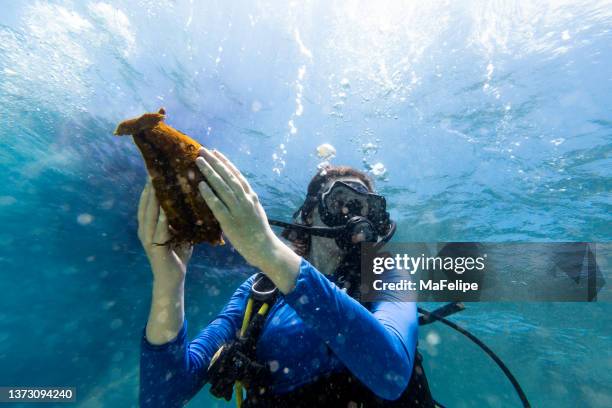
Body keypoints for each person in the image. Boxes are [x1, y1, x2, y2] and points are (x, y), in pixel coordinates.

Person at [139, 147, 434, 407]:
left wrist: (268, 251)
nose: (355, 218)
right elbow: (163, 397)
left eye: (367, 209)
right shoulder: (260, 291)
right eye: (340, 202)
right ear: (309, 215)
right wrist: (169, 282)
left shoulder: (387, 274)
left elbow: (390, 373)